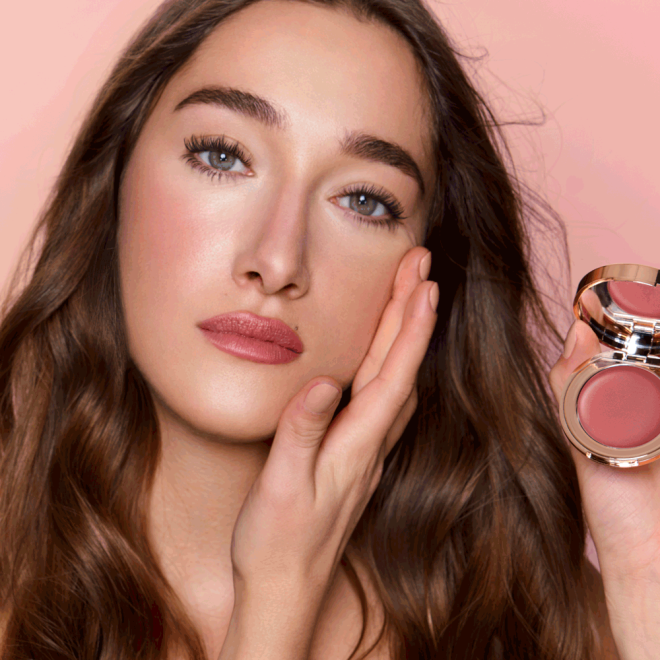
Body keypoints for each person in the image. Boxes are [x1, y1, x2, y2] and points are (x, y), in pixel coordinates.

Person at [2, 0, 646, 658]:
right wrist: (277, 595)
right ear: (115, 178)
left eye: (363, 201)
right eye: (223, 156)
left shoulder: (523, 611)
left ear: (427, 270)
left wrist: (639, 561)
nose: (277, 262)